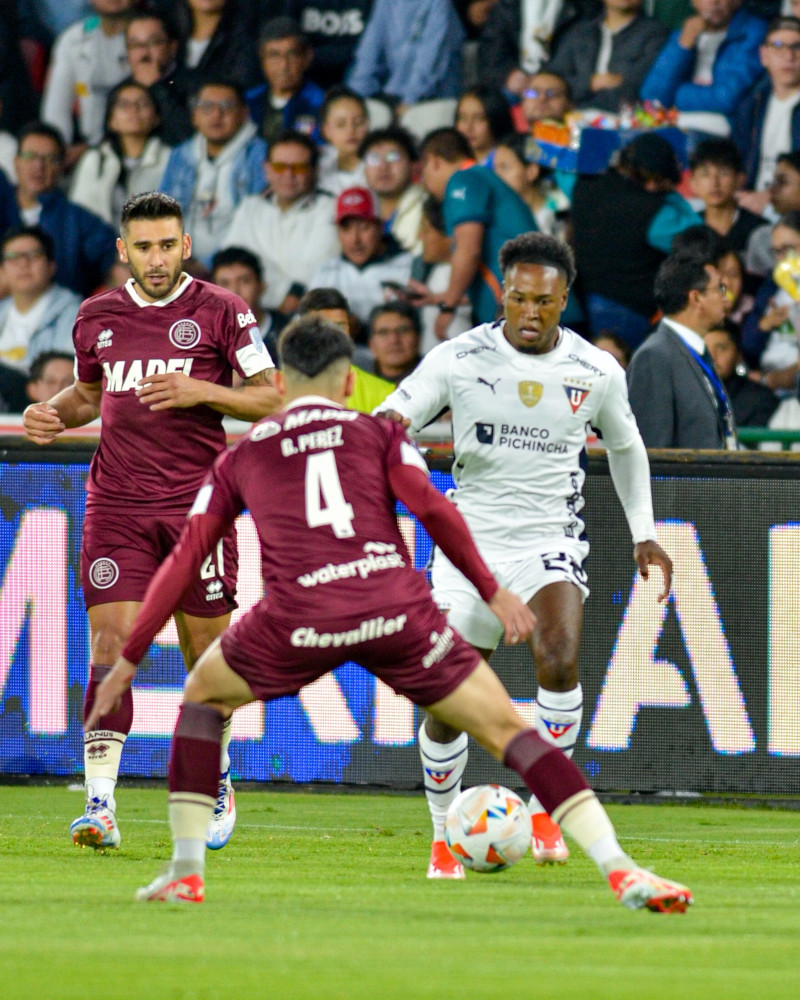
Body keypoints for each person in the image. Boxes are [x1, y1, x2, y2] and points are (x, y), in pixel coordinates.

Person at [86, 314, 691, 913]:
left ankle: (186, 873)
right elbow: (434, 509)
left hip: (298, 617)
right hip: (393, 610)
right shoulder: (378, 435)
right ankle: (624, 872)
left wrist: (132, 656)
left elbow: (186, 559)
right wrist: (491, 588)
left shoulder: (240, 459)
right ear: (349, 384)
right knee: (512, 731)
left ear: (280, 385)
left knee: (203, 696)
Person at [376, 232, 673, 878]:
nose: (531, 313)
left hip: (549, 540)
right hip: (467, 548)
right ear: (501, 295)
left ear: (565, 298)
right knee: (449, 704)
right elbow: (392, 416)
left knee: (560, 657)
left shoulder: (595, 370)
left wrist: (643, 529)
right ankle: (442, 836)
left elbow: (626, 447)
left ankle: (544, 811)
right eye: (519, 299)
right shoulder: (458, 358)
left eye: (545, 301)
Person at [21, 191, 281, 855]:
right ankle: (100, 803)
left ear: (186, 245)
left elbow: (270, 398)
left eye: (168, 245)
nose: (158, 258)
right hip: (117, 507)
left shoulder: (223, 311)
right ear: (123, 251)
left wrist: (204, 392)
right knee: (110, 647)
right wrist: (53, 411)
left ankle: (216, 775)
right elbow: (88, 394)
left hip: (200, 509)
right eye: (145, 247)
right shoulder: (98, 316)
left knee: (208, 658)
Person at [570, 131, 702, 348]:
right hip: (628, 311)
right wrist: (671, 195)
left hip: (580, 301)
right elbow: (699, 239)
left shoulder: (584, 185)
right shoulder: (656, 213)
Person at [413, 127, 536, 340]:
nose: (426, 183)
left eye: (423, 173)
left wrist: (448, 308)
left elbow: (469, 249)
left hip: (528, 315)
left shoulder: (463, 179)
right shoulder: (481, 178)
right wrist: (440, 298)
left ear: (433, 161)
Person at [627, 253, 737, 448]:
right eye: (719, 288)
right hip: (687, 479)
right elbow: (652, 450)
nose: (725, 298)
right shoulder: (654, 356)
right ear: (696, 297)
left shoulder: (696, 352)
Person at [223, 130, 338, 314]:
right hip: (250, 312)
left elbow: (317, 267)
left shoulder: (331, 207)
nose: (288, 174)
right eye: (279, 166)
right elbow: (234, 262)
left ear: (314, 170)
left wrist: (291, 293)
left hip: (306, 312)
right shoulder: (249, 208)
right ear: (266, 169)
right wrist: (287, 292)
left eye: (299, 167)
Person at [0, 122, 118, 298]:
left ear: (62, 166)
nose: (38, 166)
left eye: (49, 159)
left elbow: (116, 263)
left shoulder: (79, 221)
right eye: (30, 156)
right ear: (16, 162)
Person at [160, 80, 267, 267]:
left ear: (244, 114)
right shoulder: (181, 155)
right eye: (207, 107)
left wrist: (209, 266)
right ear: (195, 116)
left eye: (227, 107)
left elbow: (257, 222)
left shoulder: (258, 155)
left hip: (234, 265)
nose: (217, 115)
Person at [40, 0, 135, 164]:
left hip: (136, 143)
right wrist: (58, 151)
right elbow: (56, 108)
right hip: (85, 147)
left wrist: (93, 148)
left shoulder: (150, 33)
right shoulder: (73, 38)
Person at [69, 80, 173, 226]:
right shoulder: (94, 160)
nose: (134, 110)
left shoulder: (171, 159)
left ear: (156, 118)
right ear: (111, 120)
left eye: (143, 104)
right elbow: (80, 211)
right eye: (124, 105)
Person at [640, 0, 767, 118]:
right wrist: (682, 47)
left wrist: (671, 95)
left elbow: (725, 99)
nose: (714, 2)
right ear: (693, 2)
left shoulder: (753, 32)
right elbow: (651, 97)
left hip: (724, 125)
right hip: (676, 120)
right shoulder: (685, 33)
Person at [308, 186, 413, 326]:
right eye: (346, 229)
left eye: (364, 227)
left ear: (380, 227)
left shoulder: (409, 266)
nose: (355, 240)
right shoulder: (325, 273)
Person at [544, 0, 668, 112]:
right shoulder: (579, 33)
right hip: (571, 116)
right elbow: (554, 78)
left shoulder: (656, 34)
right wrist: (590, 83)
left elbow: (642, 84)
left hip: (626, 120)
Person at [732, 16, 800, 215]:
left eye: (797, 46)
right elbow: (738, 158)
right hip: (750, 199)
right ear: (764, 56)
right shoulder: (752, 104)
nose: (789, 56)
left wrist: (769, 196)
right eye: (778, 46)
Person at [346, 0, 466, 108]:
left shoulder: (440, 3)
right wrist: (352, 98)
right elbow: (368, 56)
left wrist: (409, 102)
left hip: (436, 98)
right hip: (393, 94)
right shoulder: (384, 3)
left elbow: (430, 62)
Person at [296, 287, 396, 412]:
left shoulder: (385, 395)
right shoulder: (276, 391)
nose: (331, 335)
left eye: (340, 327)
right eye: (320, 327)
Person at [476, 0, 603, 95]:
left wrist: (547, 81)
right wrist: (507, 75)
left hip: (561, 90)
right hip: (513, 92)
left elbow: (582, 59)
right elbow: (490, 55)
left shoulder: (584, 7)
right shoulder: (507, 6)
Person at [0, 226, 81, 374]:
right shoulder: (2, 311)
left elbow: (64, 375)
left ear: (51, 266)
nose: (23, 264)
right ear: (2, 270)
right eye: (13, 257)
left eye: (33, 255)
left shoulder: (74, 312)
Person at [245, 16, 325, 146]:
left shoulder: (323, 105)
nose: (283, 65)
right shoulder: (247, 101)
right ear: (261, 59)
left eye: (292, 54)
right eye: (273, 55)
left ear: (307, 58)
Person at [409, 195, 474, 353]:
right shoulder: (436, 268)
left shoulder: (470, 276)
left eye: (426, 229)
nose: (420, 236)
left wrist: (436, 300)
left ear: (450, 237)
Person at [687, 138, 768, 256]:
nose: (714, 183)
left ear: (740, 179)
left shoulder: (759, 230)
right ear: (693, 183)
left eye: (723, 173)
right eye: (705, 174)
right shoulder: (688, 229)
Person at [124, 11, 193, 147]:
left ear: (173, 47)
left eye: (153, 42)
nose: (144, 52)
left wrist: (156, 87)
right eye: (136, 45)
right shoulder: (122, 89)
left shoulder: (194, 83)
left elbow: (189, 140)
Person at [210, 245, 287, 360]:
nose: (235, 292)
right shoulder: (203, 338)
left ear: (261, 286)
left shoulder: (288, 332)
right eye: (225, 283)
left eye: (244, 281)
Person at [493, 133, 571, 240]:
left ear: (531, 171)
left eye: (504, 168)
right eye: (495, 169)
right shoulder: (495, 219)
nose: (496, 176)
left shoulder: (561, 216)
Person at [360, 126, 425, 253]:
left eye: (393, 157)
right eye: (374, 158)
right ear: (364, 170)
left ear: (414, 166)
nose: (383, 167)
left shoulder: (428, 209)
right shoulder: (357, 212)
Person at [704, 320, 781, 428]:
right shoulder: (680, 392)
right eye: (705, 348)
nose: (712, 357)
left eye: (722, 348)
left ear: (738, 356)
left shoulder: (760, 399)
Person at [317, 86, 370, 195]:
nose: (351, 130)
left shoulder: (379, 165)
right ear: (326, 130)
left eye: (358, 123)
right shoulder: (316, 165)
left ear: (368, 125)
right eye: (341, 124)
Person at [454, 86, 515, 168]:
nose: (468, 128)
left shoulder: (510, 163)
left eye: (479, 118)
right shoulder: (451, 165)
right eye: (462, 118)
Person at [366, 300, 424, 383]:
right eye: (383, 332)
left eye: (402, 330)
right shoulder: (355, 388)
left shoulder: (440, 382)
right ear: (371, 345)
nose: (394, 340)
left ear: (418, 338)